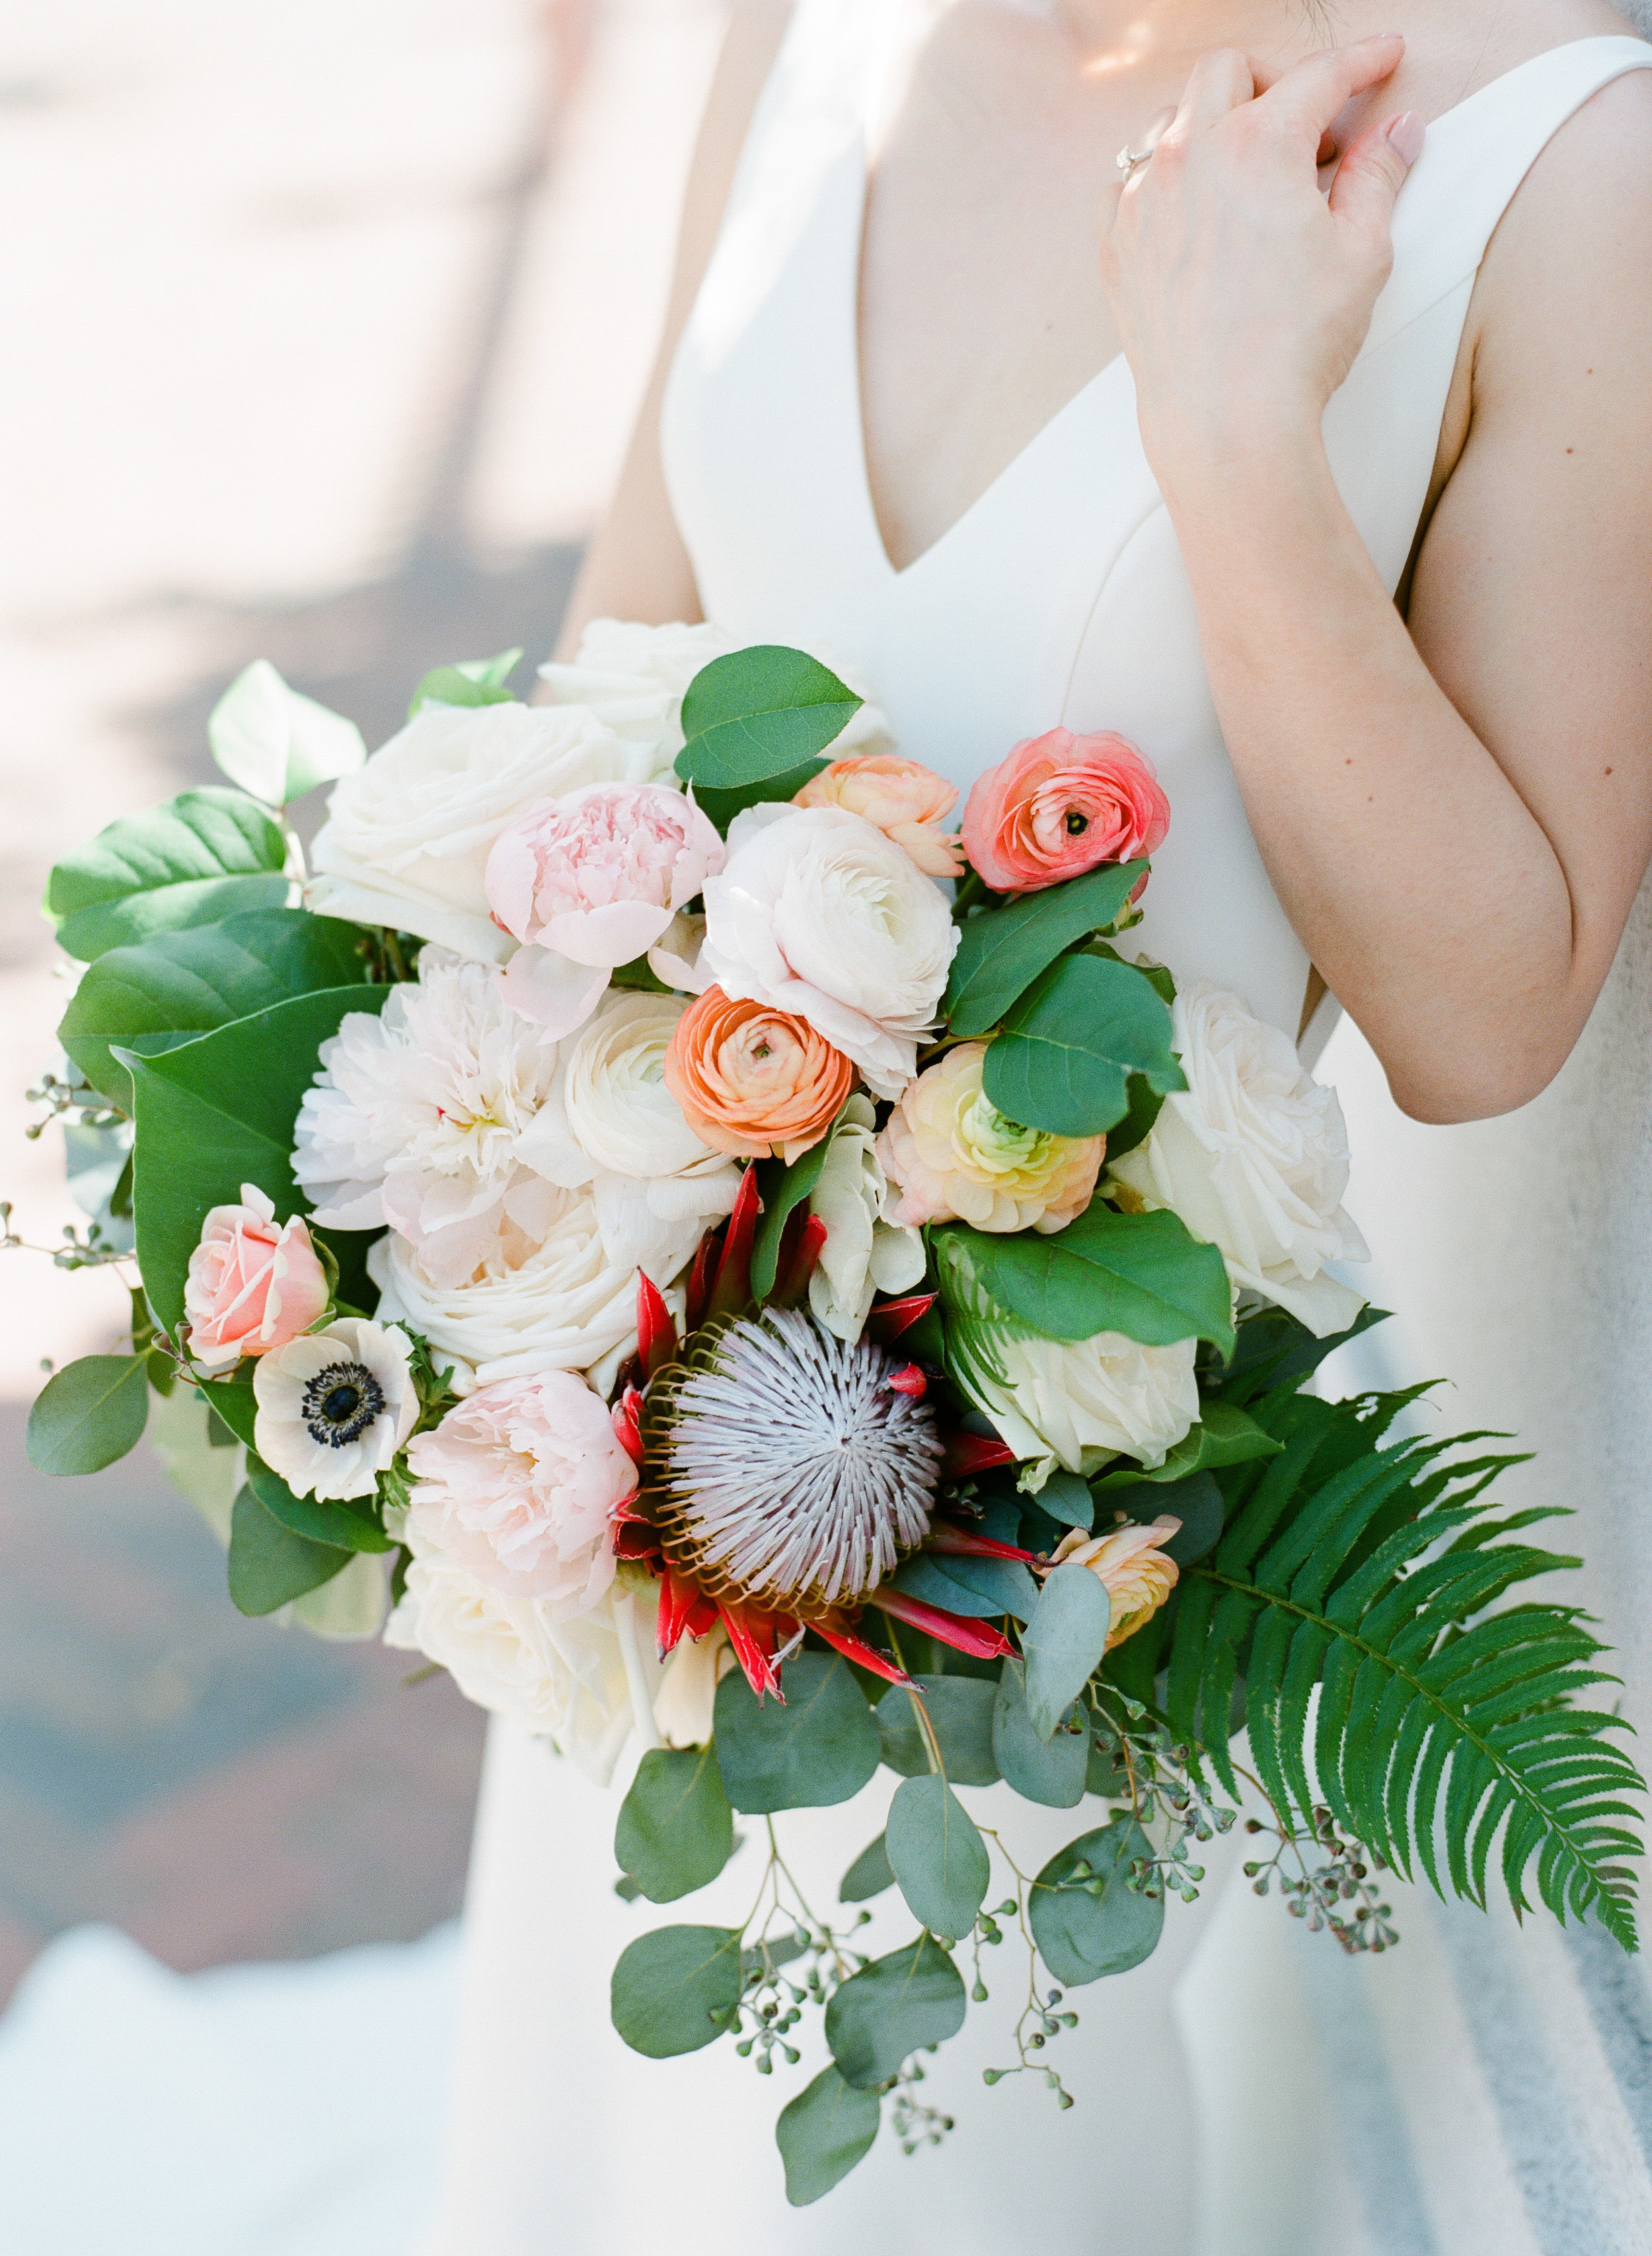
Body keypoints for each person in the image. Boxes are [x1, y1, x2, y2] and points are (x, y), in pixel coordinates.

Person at [412, 4, 1652, 2249]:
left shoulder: (1560, 171)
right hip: (642, 1425)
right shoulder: (805, 27)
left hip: (1047, 1551)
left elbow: (1486, 1012)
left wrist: (1236, 444)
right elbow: (617, 663)